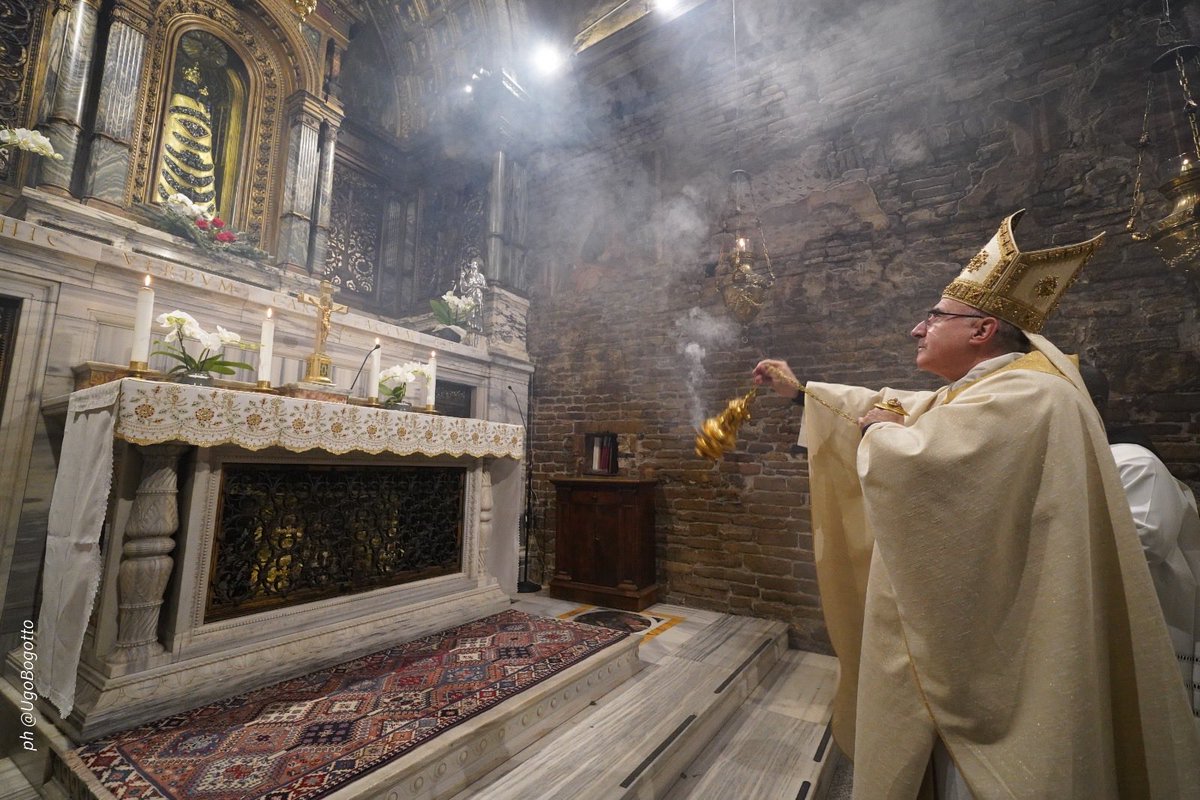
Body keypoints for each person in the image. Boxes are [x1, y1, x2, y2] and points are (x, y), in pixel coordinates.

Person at [753, 210, 1200, 798]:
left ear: (982, 329)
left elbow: (923, 461)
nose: (917, 329)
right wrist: (801, 392)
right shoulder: (990, 390)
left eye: (934, 316)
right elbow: (900, 407)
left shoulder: (1030, 394)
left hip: (1001, 653)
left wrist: (879, 435)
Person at [1080, 364, 1200, 725]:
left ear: (1091, 402)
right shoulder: (1073, 461)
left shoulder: (1133, 462)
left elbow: (1142, 545)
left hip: (1138, 630)